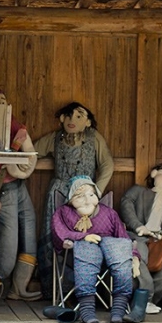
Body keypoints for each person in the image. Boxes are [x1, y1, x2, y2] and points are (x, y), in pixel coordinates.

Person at [35, 102, 114, 299]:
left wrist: (96, 192)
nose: (73, 121)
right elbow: (32, 152)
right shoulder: (55, 138)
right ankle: (53, 289)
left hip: (86, 195)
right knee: (55, 235)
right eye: (68, 116)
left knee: (87, 235)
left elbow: (107, 164)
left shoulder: (94, 138)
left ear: (88, 122)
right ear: (62, 119)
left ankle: (85, 289)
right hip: (60, 193)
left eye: (79, 116)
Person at [51, 175, 133, 323]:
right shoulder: (63, 212)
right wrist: (82, 236)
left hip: (110, 256)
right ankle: (87, 309)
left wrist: (134, 257)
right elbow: (58, 232)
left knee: (118, 246)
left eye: (91, 194)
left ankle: (119, 308)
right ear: (71, 199)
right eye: (80, 195)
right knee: (87, 249)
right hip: (76, 255)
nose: (87, 199)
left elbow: (123, 236)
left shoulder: (109, 213)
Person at [0, 89, 41, 301]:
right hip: (1, 187)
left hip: (17, 183)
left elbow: (27, 149)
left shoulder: (11, 120)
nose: (0, 104)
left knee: (28, 228)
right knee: (9, 239)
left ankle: (20, 287)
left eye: (3, 100)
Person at [118, 163, 162, 314]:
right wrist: (137, 226)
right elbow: (126, 202)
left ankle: (148, 299)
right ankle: (144, 299)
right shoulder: (138, 191)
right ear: (154, 174)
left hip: (161, 239)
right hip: (137, 234)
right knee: (137, 257)